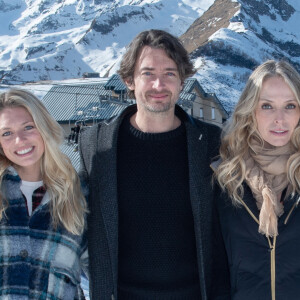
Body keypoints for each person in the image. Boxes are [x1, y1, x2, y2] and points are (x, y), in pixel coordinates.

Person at [79, 29, 224, 300]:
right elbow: (72, 215)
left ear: (182, 80)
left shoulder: (211, 143)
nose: (159, 85)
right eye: (148, 73)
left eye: (169, 73)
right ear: (129, 80)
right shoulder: (96, 145)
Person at [212, 60, 300, 300]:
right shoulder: (227, 179)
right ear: (251, 111)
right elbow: (215, 270)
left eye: (290, 105)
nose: (279, 119)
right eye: (267, 106)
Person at [0, 89, 88, 299]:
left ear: (44, 128)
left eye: (28, 127)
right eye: (7, 133)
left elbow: (105, 269)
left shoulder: (78, 194)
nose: (20, 140)